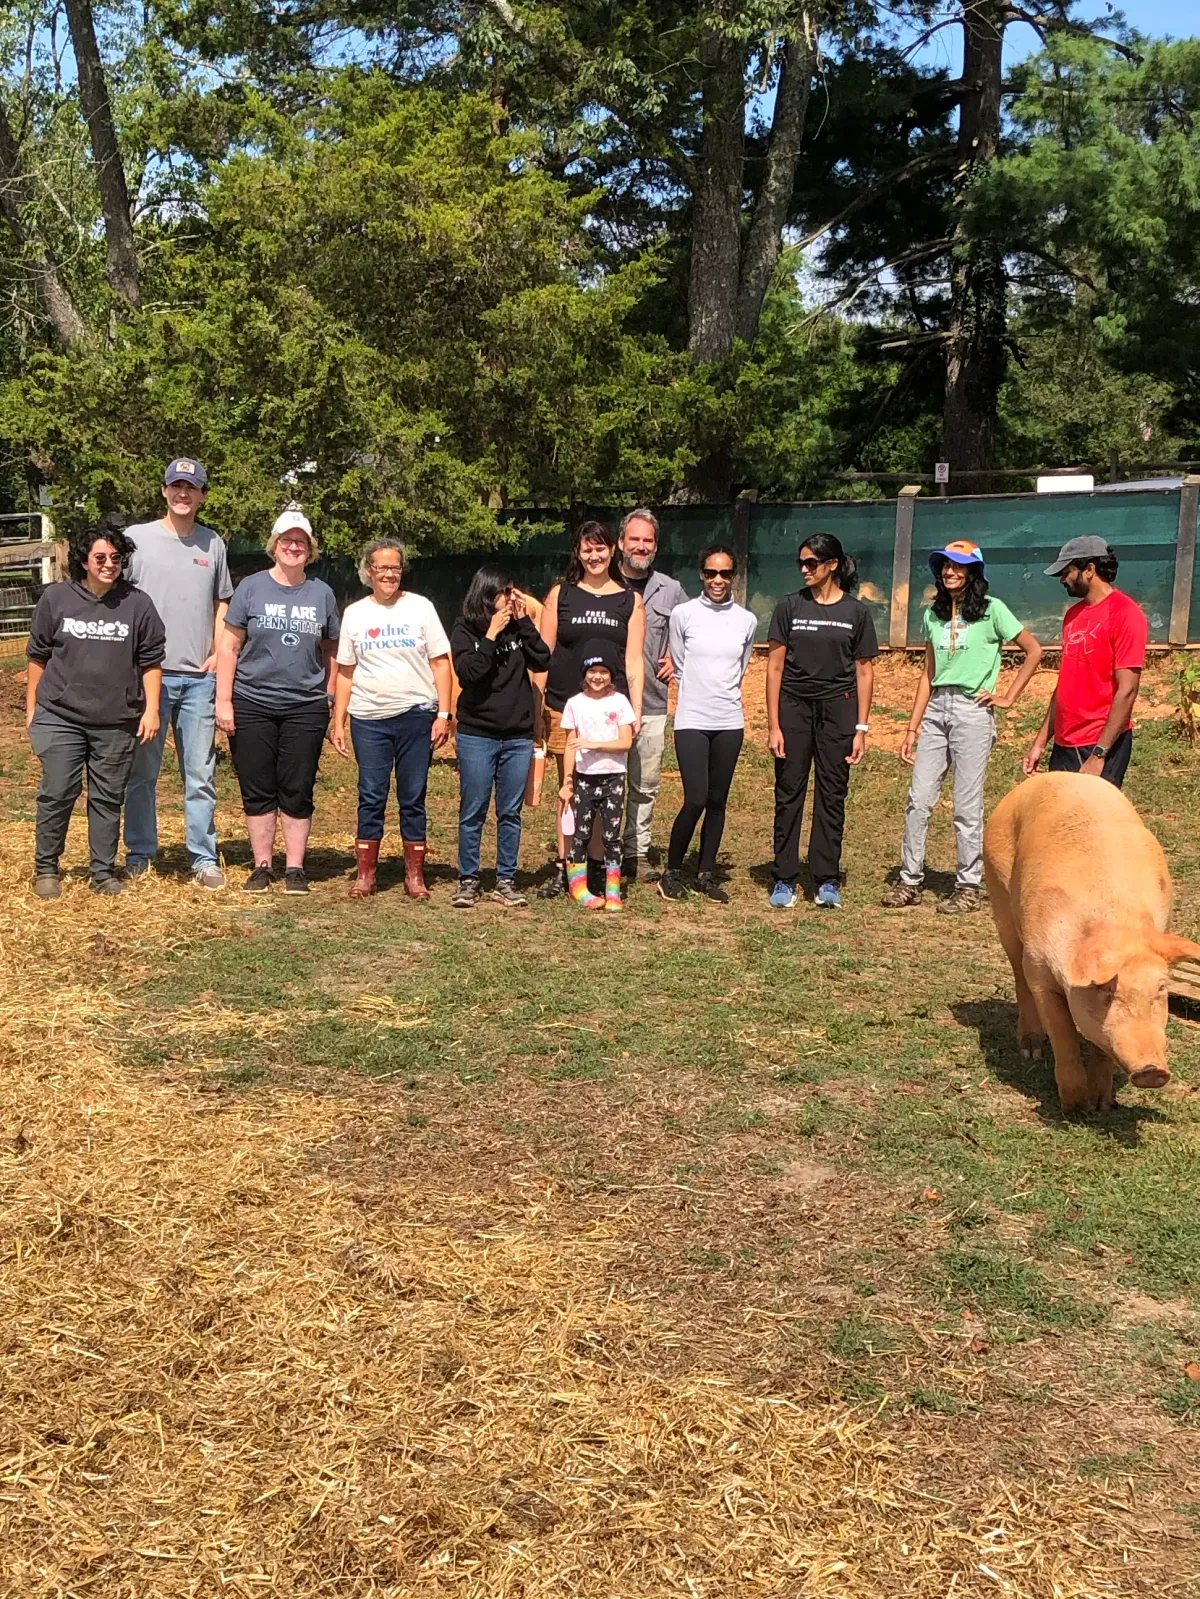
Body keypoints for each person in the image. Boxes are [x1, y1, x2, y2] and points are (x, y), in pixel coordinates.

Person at [882, 541, 1043, 914]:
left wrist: (1007, 696)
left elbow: (1033, 650)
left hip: (973, 710)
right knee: (918, 799)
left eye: (958, 566)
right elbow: (928, 672)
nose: (950, 572)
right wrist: (912, 728)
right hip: (937, 708)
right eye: (945, 566)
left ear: (973, 572)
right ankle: (909, 880)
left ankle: (967, 886)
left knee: (966, 806)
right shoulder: (933, 614)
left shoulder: (992, 610)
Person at [26, 517, 165, 898]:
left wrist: (151, 709)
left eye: (116, 557)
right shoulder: (57, 599)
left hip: (117, 720)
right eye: (100, 556)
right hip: (60, 714)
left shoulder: (137, 604)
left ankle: (102, 872)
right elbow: (37, 656)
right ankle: (47, 868)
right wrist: (32, 708)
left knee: (107, 796)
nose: (109, 563)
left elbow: (151, 661)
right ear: (84, 560)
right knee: (58, 789)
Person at [215, 510, 340, 895]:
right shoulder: (251, 587)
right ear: (274, 545)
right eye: (287, 540)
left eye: (301, 541)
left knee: (297, 787)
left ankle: (296, 868)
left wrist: (330, 694)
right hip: (252, 701)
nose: (293, 547)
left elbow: (332, 648)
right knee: (258, 786)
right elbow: (229, 645)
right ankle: (263, 865)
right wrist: (224, 700)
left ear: (310, 548)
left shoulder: (322, 592)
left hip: (305, 705)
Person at [122, 457, 233, 888]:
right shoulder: (137, 540)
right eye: (176, 486)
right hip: (148, 678)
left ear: (202, 494)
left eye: (192, 487)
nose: (183, 494)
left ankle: (203, 859)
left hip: (199, 679)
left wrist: (216, 651)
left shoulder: (213, 544)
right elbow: (118, 597)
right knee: (142, 773)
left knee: (200, 774)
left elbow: (224, 601)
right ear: (164, 491)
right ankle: (140, 853)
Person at [330, 537, 453, 898]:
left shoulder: (420, 608)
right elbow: (346, 672)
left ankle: (415, 876)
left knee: (413, 795)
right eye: (381, 568)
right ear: (368, 571)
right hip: (369, 719)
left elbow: (441, 663)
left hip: (417, 715)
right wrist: (339, 721)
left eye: (395, 568)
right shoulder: (355, 613)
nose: (389, 574)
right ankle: (366, 875)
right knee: (371, 794)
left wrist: (444, 713)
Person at [534, 519, 645, 898]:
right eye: (587, 549)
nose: (594, 555)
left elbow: (633, 661)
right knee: (570, 790)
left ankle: (596, 868)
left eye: (600, 548)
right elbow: (543, 654)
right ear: (577, 553)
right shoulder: (560, 594)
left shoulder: (630, 600)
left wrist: (637, 707)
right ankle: (567, 868)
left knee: (604, 789)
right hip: (566, 707)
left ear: (613, 549)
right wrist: (537, 702)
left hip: (612, 713)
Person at [766, 532, 877, 910]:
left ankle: (826, 878)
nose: (804, 569)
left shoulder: (856, 613)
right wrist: (773, 725)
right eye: (801, 562)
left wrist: (861, 727)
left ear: (832, 565)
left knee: (832, 795)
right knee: (789, 793)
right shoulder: (788, 606)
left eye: (811, 562)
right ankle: (784, 878)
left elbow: (864, 672)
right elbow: (774, 667)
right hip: (794, 709)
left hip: (839, 710)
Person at [658, 544, 757, 904]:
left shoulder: (747, 621)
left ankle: (705, 871)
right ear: (701, 574)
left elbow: (741, 666)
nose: (718, 580)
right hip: (692, 719)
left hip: (729, 720)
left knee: (718, 800)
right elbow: (680, 663)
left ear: (734, 576)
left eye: (726, 573)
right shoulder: (683, 615)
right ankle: (671, 870)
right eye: (711, 573)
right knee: (695, 798)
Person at [450, 563, 551, 909]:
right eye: (502, 592)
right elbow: (469, 674)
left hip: (517, 735)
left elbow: (542, 660)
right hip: (478, 734)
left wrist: (524, 622)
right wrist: (491, 635)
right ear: (485, 594)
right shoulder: (466, 628)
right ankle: (468, 879)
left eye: (512, 591)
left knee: (510, 812)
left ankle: (505, 880)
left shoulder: (520, 629)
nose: (509, 598)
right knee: (473, 810)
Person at [1023, 537, 1148, 788]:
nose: (1061, 580)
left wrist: (1099, 754)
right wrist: (1039, 743)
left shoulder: (1126, 614)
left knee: (1092, 824)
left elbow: (1128, 690)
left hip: (1098, 743)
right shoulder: (1073, 615)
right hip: (1065, 742)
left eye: (1066, 572)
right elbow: (1064, 686)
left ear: (1089, 570)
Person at [616, 508, 686, 880]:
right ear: (620, 543)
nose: (641, 546)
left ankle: (636, 852)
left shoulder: (671, 590)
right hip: (605, 704)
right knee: (602, 782)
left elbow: (691, 628)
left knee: (644, 785)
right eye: (635, 539)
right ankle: (602, 852)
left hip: (654, 703)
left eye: (648, 541)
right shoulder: (603, 584)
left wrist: (677, 654)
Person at [558, 643, 637, 911]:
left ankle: (613, 889)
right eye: (593, 671)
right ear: (584, 674)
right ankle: (578, 887)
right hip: (584, 778)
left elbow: (625, 742)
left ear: (611, 676)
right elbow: (571, 746)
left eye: (604, 671)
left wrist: (594, 744)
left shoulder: (620, 702)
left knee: (612, 835)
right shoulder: (574, 704)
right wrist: (567, 782)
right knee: (580, 833)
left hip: (613, 777)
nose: (598, 676)